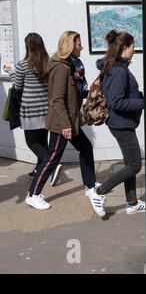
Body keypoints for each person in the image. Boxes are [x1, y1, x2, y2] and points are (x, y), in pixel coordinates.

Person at [26, 31, 101, 213]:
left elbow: (72, 93)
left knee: (85, 147)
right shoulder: (61, 68)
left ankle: (90, 185)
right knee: (52, 157)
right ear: (70, 45)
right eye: (79, 44)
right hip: (63, 121)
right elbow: (57, 99)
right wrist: (66, 125)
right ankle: (33, 194)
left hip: (70, 119)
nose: (81, 47)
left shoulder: (68, 65)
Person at [92, 30, 146, 215]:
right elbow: (116, 101)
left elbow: (120, 95)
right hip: (121, 123)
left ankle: (132, 203)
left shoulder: (115, 67)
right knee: (135, 165)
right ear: (124, 47)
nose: (134, 50)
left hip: (122, 123)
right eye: (132, 46)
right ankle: (99, 192)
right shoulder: (119, 70)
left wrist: (138, 96)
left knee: (129, 164)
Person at [4, 33, 62, 185]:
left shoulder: (23, 65)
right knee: (42, 142)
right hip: (46, 110)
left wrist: (10, 71)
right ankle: (39, 170)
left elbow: (18, 86)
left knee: (32, 142)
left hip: (30, 110)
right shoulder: (48, 63)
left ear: (27, 47)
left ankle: (53, 166)